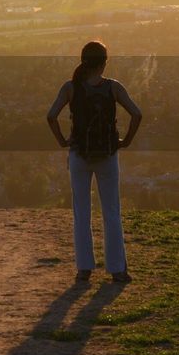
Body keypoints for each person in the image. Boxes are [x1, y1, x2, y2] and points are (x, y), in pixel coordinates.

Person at [46, 41, 142, 284]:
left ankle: (84, 269)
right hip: (108, 155)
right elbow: (137, 114)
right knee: (111, 211)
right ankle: (117, 269)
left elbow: (51, 116)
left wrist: (62, 141)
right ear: (104, 62)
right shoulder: (113, 88)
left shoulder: (70, 88)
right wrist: (126, 141)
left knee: (82, 212)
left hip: (79, 154)